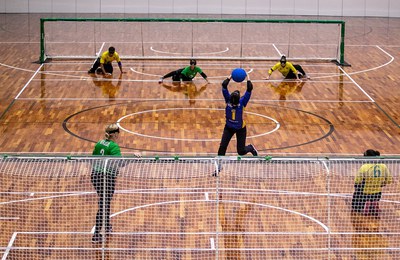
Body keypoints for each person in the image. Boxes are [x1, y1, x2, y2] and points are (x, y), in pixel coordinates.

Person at [91, 124, 139, 243]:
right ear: (116, 134)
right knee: (104, 205)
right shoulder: (114, 147)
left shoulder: (99, 143)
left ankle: (107, 226)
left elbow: (93, 158)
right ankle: (96, 235)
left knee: (104, 201)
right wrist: (134, 158)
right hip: (107, 178)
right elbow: (121, 164)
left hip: (95, 176)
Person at [217, 73, 258, 158]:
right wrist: (231, 76)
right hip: (228, 128)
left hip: (240, 129)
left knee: (241, 151)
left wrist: (248, 77)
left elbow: (249, 88)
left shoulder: (242, 102)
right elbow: (224, 85)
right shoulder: (228, 99)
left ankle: (250, 148)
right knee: (222, 147)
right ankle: (219, 165)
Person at [351, 149, 392, 216]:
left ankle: (365, 206)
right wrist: (381, 184)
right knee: (375, 195)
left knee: (356, 204)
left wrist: (357, 187)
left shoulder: (364, 167)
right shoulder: (383, 166)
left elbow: (357, 181)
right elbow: (389, 180)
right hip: (377, 192)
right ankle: (374, 204)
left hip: (365, 192)